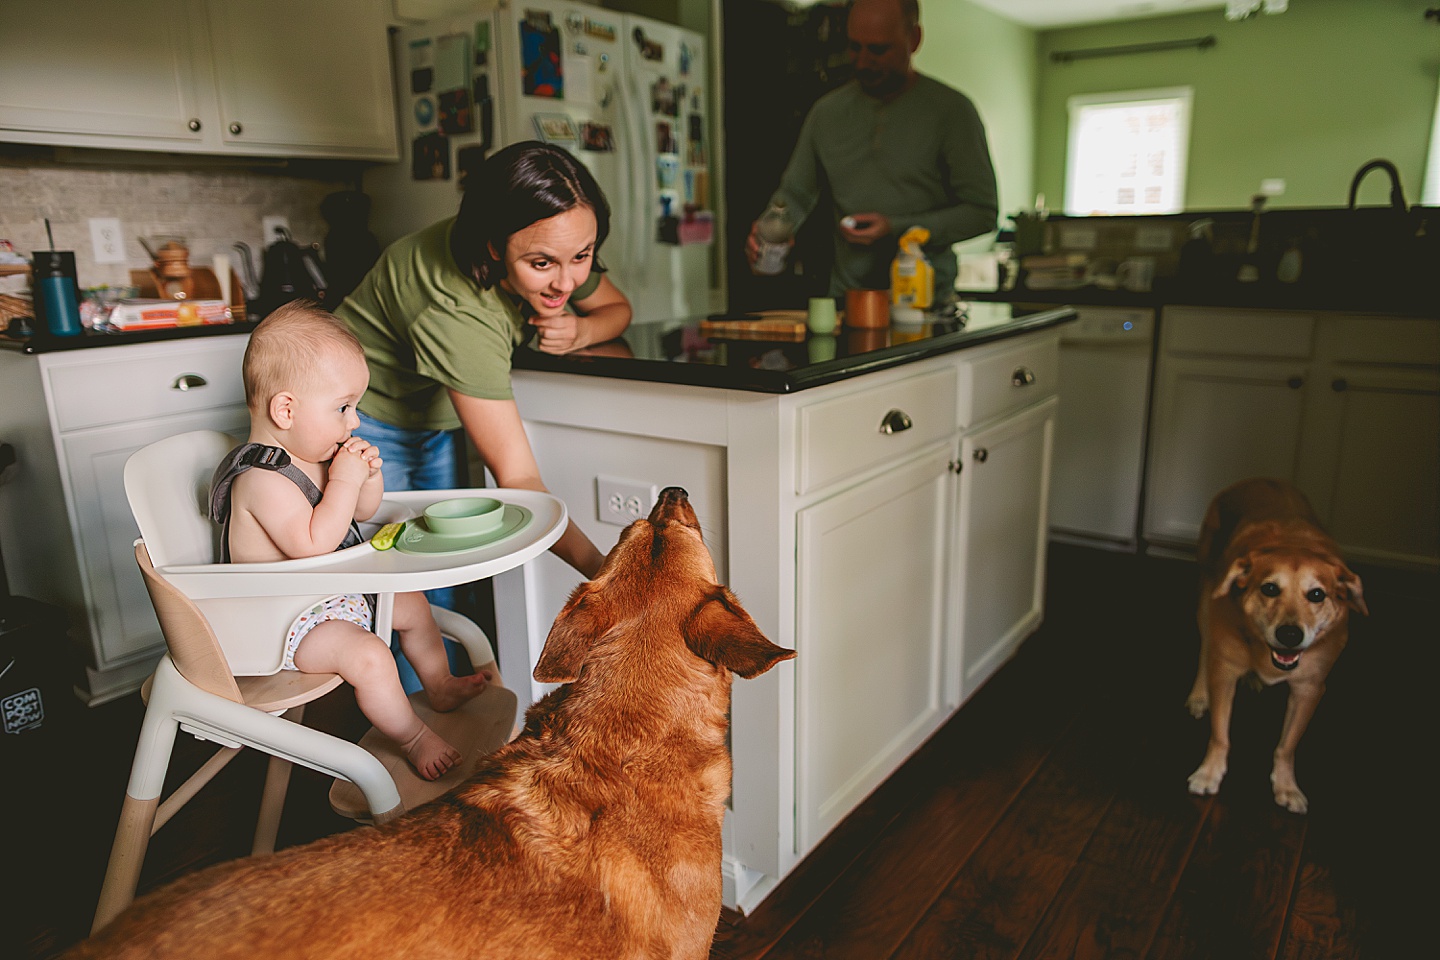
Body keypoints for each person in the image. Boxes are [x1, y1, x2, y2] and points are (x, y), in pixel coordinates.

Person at [210, 302, 489, 781]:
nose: (354, 422)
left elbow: (359, 512)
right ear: (285, 409)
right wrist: (342, 480)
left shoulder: (310, 456)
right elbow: (314, 542)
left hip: (328, 598)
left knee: (411, 603)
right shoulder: (260, 479)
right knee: (369, 656)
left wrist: (367, 477)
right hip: (283, 624)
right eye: (343, 407)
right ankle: (413, 736)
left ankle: (438, 684)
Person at [336, 141, 631, 581]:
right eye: (542, 263)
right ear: (494, 247)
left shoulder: (549, 239)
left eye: (582, 256)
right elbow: (520, 480)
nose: (566, 281)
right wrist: (606, 574)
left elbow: (618, 309)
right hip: (364, 423)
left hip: (431, 417)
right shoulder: (456, 314)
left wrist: (583, 330)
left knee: (450, 568)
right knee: (399, 587)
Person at [745, 0, 998, 303]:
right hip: (847, 303)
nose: (863, 62)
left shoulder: (952, 112)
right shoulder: (826, 113)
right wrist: (767, 232)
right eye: (855, 47)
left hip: (927, 305)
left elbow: (982, 214)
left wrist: (895, 229)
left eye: (879, 50)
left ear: (914, 39)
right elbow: (795, 195)